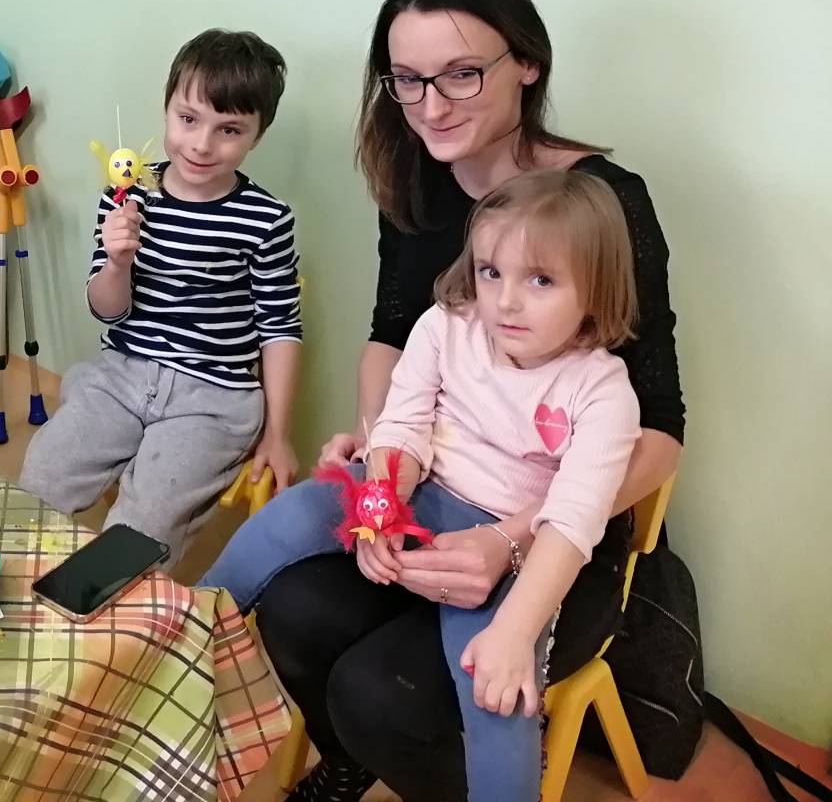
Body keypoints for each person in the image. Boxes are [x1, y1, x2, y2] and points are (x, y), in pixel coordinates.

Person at [255, 0, 684, 802]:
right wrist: (384, 458)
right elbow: (391, 338)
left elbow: (661, 435)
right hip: (435, 489)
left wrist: (511, 540)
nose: (431, 107)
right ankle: (350, 761)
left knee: (380, 693)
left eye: (461, 74)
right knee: (292, 609)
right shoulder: (416, 172)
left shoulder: (602, 204)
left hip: (558, 531)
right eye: (407, 80)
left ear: (527, 63)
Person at [204, 170, 641, 802]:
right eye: (491, 272)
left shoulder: (603, 391)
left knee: (495, 691)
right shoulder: (445, 326)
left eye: (541, 280)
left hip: (506, 548)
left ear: (596, 289)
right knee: (294, 513)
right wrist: (378, 511)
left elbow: (572, 522)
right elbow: (401, 425)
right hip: (421, 496)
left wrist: (515, 632)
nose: (506, 302)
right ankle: (190, 626)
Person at [19, 29, 303, 566]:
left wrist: (278, 434)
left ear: (257, 136)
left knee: (140, 533)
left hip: (213, 397)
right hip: (122, 375)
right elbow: (107, 310)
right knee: (41, 477)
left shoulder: (266, 219)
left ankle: (104, 608)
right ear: (167, 108)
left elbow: (281, 327)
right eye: (188, 119)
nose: (201, 144)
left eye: (229, 130)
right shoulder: (126, 196)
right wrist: (117, 261)